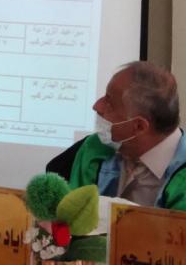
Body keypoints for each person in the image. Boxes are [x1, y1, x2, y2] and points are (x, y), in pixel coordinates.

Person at [46, 60, 186, 210]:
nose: (97, 106)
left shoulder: (181, 178)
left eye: (109, 103)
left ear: (139, 126)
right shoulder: (94, 150)